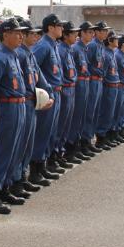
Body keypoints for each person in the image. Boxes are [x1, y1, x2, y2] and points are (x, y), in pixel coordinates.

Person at [0, 18, 29, 214]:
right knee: (4, 151)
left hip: (19, 106)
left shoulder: (14, 55)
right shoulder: (0, 57)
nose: (20, 36)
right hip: (7, 107)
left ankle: (5, 187)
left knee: (15, 150)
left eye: (21, 33)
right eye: (16, 33)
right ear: (5, 35)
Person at [17, 20, 54, 189]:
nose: (36, 36)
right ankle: (13, 182)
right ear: (23, 34)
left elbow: (41, 78)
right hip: (21, 103)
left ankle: (22, 177)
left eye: (37, 34)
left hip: (31, 102)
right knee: (18, 145)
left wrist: (49, 95)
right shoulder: (18, 54)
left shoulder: (30, 53)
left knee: (28, 143)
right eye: (32, 33)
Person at [31, 14, 66, 177]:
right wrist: (41, 92)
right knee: (42, 132)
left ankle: (43, 164)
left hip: (56, 93)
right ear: (50, 27)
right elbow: (33, 68)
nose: (62, 28)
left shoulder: (53, 45)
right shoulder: (43, 46)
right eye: (59, 25)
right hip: (46, 95)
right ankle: (35, 170)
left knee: (51, 131)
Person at [69, 21, 100, 159]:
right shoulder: (76, 48)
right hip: (79, 85)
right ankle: (71, 148)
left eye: (92, 32)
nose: (91, 34)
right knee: (77, 117)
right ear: (81, 33)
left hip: (86, 83)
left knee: (84, 116)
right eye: (89, 32)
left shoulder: (85, 48)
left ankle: (80, 144)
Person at [56, 21, 80, 165]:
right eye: (73, 33)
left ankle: (60, 153)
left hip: (71, 88)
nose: (76, 35)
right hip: (63, 89)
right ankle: (54, 156)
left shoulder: (69, 50)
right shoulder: (61, 50)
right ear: (65, 35)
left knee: (66, 124)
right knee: (60, 125)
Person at [84, 21, 110, 149]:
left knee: (95, 112)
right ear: (97, 32)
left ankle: (90, 138)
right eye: (103, 31)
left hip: (99, 80)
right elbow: (87, 64)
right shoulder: (93, 45)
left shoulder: (101, 45)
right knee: (90, 112)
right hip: (93, 80)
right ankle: (86, 140)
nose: (106, 33)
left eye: (106, 31)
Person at [95, 31, 121, 148]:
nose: (117, 41)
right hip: (108, 87)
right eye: (115, 39)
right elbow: (103, 73)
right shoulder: (105, 53)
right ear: (110, 41)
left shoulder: (112, 53)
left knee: (111, 113)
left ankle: (107, 135)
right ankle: (101, 138)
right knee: (105, 112)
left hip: (114, 86)